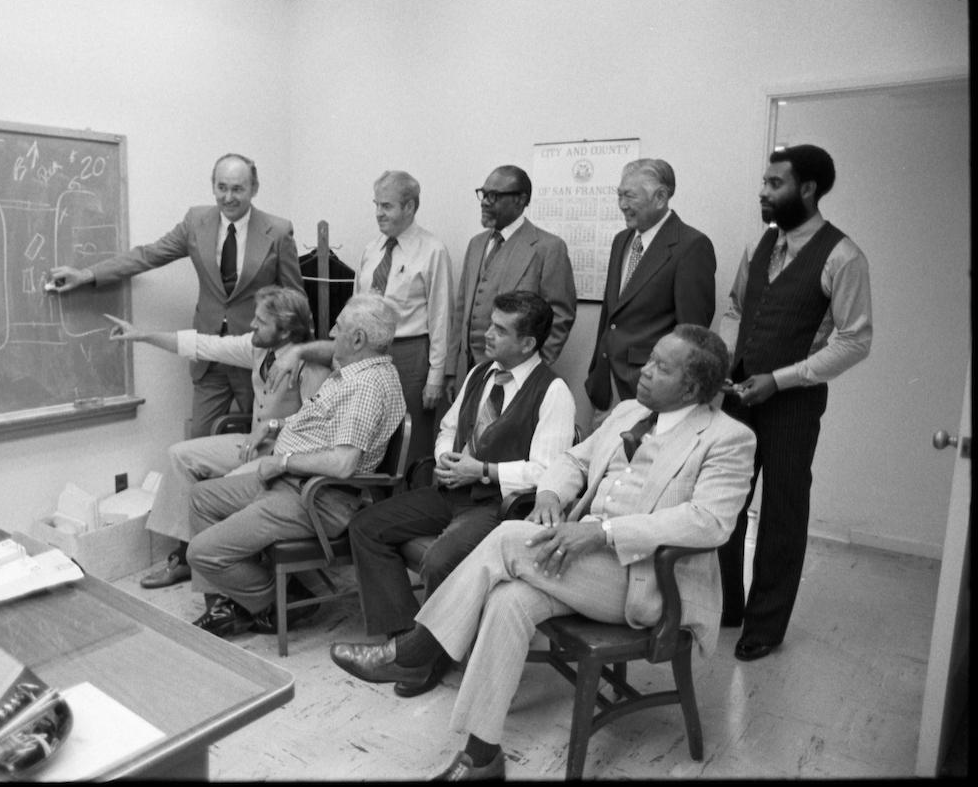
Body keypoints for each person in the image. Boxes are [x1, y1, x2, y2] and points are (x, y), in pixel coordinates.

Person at [329, 325, 755, 780]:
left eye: (660, 368)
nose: (644, 371)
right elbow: (573, 461)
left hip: (647, 580)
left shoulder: (727, 438)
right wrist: (551, 495)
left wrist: (602, 533)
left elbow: (710, 522)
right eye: (648, 359)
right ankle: (482, 758)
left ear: (690, 388)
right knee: (508, 600)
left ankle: (413, 649)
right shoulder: (629, 411)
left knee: (509, 537)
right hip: (579, 563)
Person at [347, 291, 575, 697]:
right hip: (453, 489)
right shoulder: (481, 373)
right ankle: (407, 638)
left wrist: (483, 471)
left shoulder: (554, 392)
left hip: (496, 507)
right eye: (490, 324)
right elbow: (449, 428)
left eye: (500, 330)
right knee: (366, 526)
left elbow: (549, 471)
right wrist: (446, 459)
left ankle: (425, 661)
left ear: (528, 344)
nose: (487, 334)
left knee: (438, 560)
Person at [717, 144, 872, 662]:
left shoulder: (843, 256)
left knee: (782, 512)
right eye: (764, 181)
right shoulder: (759, 243)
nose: (763, 191)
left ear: (807, 189)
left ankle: (764, 626)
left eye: (775, 183)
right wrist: (728, 363)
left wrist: (779, 380)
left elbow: (854, 340)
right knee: (725, 502)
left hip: (793, 405)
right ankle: (725, 605)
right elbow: (737, 305)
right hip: (738, 398)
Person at [185, 292, 407, 637]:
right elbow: (318, 424)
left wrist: (284, 462)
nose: (332, 332)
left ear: (359, 339)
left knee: (200, 553)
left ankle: (277, 600)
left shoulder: (365, 386)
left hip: (314, 497)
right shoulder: (351, 371)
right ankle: (230, 607)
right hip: (291, 483)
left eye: (339, 327)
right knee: (200, 497)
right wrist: (273, 426)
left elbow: (344, 463)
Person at [48, 153, 305, 438]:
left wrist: (296, 354)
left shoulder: (278, 232)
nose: (228, 197)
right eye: (222, 187)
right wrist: (87, 274)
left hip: (254, 353)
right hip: (208, 359)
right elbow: (148, 255)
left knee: (260, 440)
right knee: (199, 438)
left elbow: (296, 301)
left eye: (237, 189)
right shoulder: (196, 222)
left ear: (253, 189)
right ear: (213, 187)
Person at [102, 286, 331, 589]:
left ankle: (222, 586)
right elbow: (204, 345)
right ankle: (186, 556)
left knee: (219, 488)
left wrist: (274, 425)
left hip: (282, 456)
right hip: (253, 444)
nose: (252, 325)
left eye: (260, 321)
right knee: (179, 455)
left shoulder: (309, 366)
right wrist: (141, 334)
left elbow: (319, 425)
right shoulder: (259, 348)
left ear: (285, 329)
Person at [585, 158, 716, 428]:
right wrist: (596, 371)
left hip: (650, 387)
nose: (622, 204)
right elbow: (612, 315)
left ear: (660, 197)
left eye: (629, 196)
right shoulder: (621, 240)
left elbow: (692, 333)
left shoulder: (691, 246)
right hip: (605, 384)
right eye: (619, 195)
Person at [446, 165, 577, 399]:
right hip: (472, 371)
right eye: (483, 194)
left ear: (520, 200)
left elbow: (561, 315)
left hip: (516, 376)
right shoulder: (476, 244)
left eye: (494, 196)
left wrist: (532, 367)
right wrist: (450, 371)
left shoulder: (548, 248)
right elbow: (461, 310)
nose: (485, 201)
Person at [354, 170, 453, 462]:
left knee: (411, 439)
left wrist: (436, 376)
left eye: (387, 206)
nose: (378, 214)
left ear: (409, 207)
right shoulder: (372, 250)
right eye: (376, 205)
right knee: (370, 433)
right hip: (368, 354)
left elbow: (440, 317)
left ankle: (411, 501)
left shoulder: (433, 251)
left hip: (409, 355)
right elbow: (356, 307)